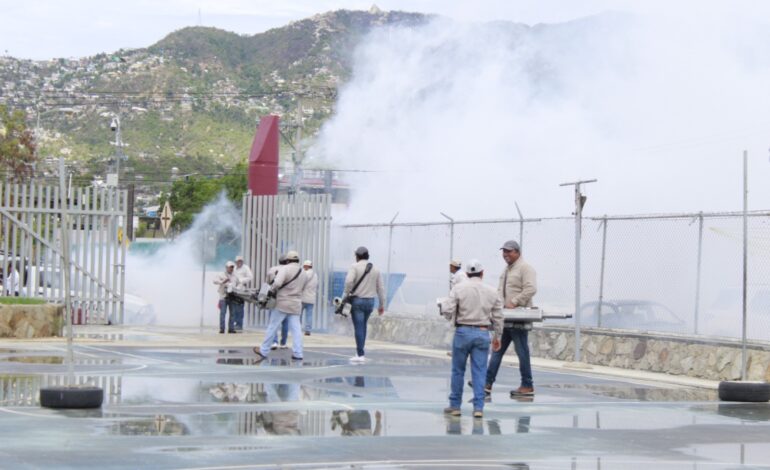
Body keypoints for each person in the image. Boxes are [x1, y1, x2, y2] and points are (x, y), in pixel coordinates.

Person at [440, 259, 503, 418]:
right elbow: (498, 316)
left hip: (462, 331)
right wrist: (498, 336)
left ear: (467, 274)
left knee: (458, 370)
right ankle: (478, 408)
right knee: (480, 372)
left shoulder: (458, 288)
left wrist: (452, 318)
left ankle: (455, 406)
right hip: (482, 333)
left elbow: (447, 309)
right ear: (482, 273)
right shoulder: (492, 291)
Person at [485, 239, 538, 397]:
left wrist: (514, 302)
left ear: (517, 252)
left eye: (509, 251)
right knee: (497, 350)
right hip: (506, 317)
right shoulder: (507, 270)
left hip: (519, 317)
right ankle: (487, 383)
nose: (505, 254)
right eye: (504, 251)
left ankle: (527, 385)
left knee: (522, 351)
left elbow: (531, 289)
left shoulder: (525, 268)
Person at [253, 250, 309, 361]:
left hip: (282, 303)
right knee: (296, 330)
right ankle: (298, 353)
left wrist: (272, 290)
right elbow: (303, 288)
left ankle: (264, 350)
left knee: (273, 326)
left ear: (288, 260)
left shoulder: (285, 269)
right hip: (296, 304)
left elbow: (277, 283)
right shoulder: (303, 272)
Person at [343, 246, 385, 363]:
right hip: (370, 302)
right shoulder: (376, 269)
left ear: (357, 256)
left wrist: (346, 294)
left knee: (359, 327)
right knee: (363, 326)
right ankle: (360, 352)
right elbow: (381, 288)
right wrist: (381, 305)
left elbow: (348, 281)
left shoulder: (354, 267)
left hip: (358, 301)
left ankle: (360, 354)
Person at [266, 255, 289, 349]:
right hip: (286, 298)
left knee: (273, 321)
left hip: (273, 297)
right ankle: (283, 343)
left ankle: (274, 342)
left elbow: (267, 282)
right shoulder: (289, 270)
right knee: (285, 322)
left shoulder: (272, 269)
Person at [213, 261, 237, 333]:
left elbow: (239, 284)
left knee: (232, 313)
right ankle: (222, 329)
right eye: (230, 267)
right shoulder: (221, 274)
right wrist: (223, 282)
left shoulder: (235, 276)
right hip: (223, 296)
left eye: (232, 267)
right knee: (223, 313)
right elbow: (214, 281)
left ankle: (231, 329)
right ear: (226, 267)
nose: (231, 269)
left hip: (232, 297)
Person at [232, 255, 253, 332]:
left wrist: (241, 280)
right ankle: (234, 323)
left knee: (240, 308)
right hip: (233, 290)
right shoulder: (233, 268)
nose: (239, 262)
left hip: (241, 290)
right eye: (238, 261)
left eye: (241, 261)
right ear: (236, 262)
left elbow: (250, 277)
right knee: (233, 307)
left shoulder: (245, 268)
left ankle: (239, 324)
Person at [301, 260, 318, 336]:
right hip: (311, 298)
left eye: (304, 266)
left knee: (299, 314)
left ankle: (298, 328)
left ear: (306, 266)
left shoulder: (304, 274)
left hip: (302, 297)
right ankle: (308, 330)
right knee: (309, 315)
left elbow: (300, 284)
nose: (303, 267)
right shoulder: (315, 275)